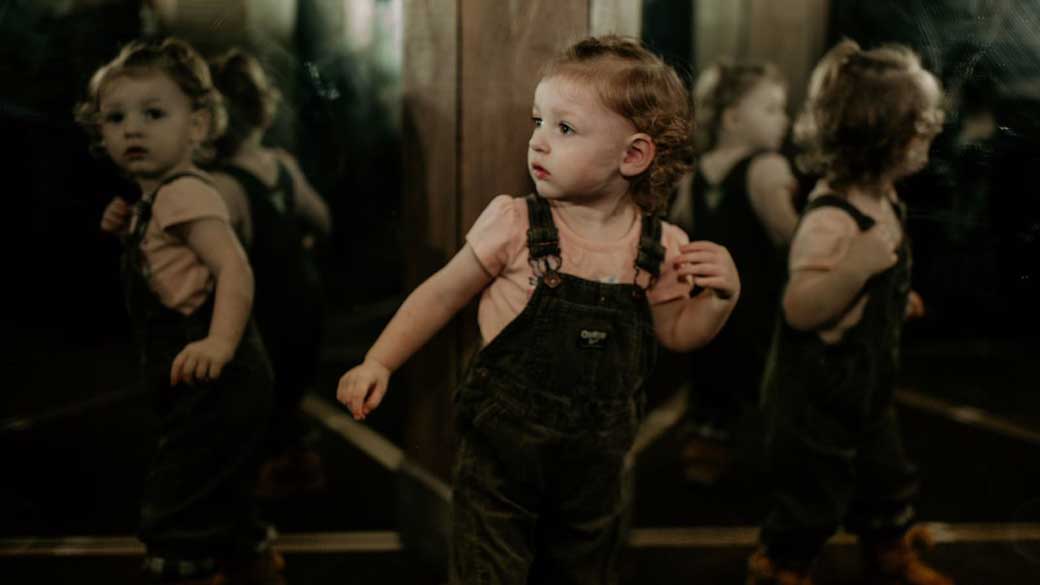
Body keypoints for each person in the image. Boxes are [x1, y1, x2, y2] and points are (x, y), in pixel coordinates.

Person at [336, 35, 739, 584]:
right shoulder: (516, 224)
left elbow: (679, 334)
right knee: (489, 570)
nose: (538, 144)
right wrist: (378, 361)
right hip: (501, 457)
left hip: (597, 466)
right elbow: (440, 294)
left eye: (564, 128)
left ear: (633, 155)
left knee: (582, 568)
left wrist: (720, 299)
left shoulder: (661, 245)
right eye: (537, 122)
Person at [747, 40, 950, 585]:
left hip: (866, 388)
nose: (929, 134)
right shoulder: (831, 216)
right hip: (817, 397)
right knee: (813, 492)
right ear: (880, 136)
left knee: (886, 475)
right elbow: (799, 308)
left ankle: (888, 551)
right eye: (919, 127)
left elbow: (867, 286)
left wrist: (892, 298)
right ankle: (782, 567)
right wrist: (856, 271)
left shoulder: (882, 199)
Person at [81, 38, 283, 585]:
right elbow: (173, 262)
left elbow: (234, 268)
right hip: (208, 372)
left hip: (217, 368)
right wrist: (128, 224)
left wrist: (219, 343)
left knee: (175, 501)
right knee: (217, 483)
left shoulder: (181, 195)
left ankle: (185, 570)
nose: (132, 129)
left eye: (153, 114)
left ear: (196, 127)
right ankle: (250, 562)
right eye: (115, 118)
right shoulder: (159, 197)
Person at [207, 48, 332, 499]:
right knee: (291, 385)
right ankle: (297, 463)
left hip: (261, 307)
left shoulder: (221, 186)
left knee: (254, 392)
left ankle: (262, 478)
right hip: (304, 296)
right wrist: (300, 240)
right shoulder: (283, 166)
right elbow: (322, 220)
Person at [668, 61, 799, 484]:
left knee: (712, 378)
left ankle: (705, 453)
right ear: (733, 117)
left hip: (711, 307)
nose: (785, 119)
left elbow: (681, 233)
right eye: (772, 109)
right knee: (762, 379)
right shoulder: (768, 168)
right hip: (760, 304)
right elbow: (793, 238)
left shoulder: (696, 174)